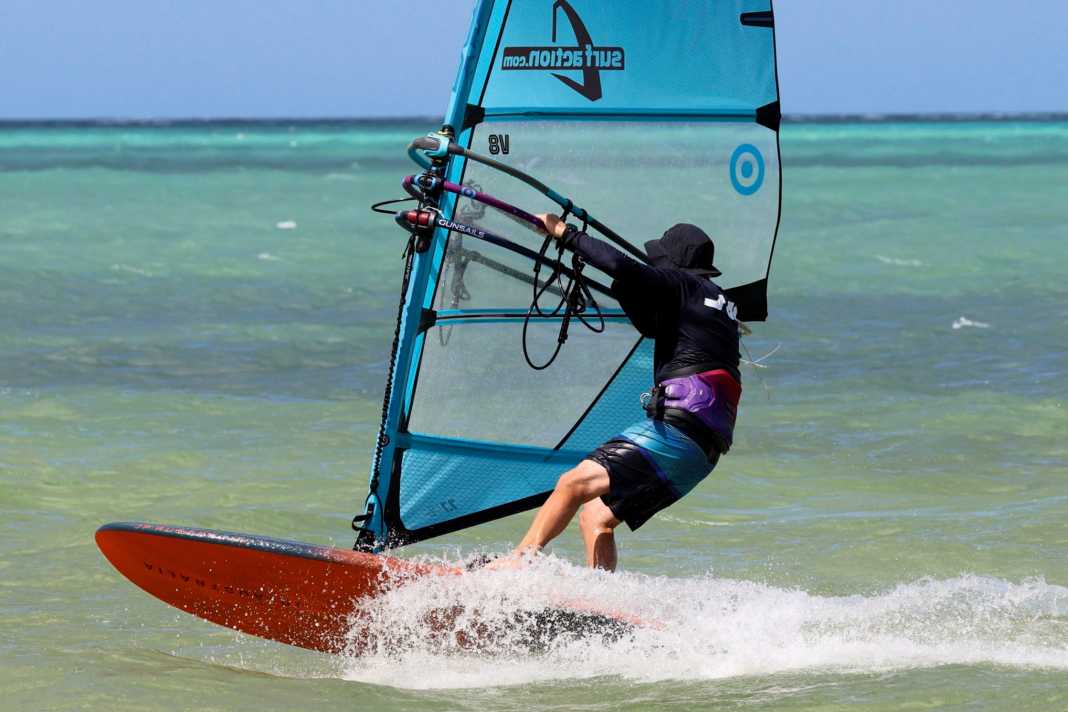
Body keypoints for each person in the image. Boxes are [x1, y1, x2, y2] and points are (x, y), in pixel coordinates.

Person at [496, 217, 743, 571]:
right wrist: (623, 285)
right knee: (595, 517)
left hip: (677, 432)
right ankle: (602, 599)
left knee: (573, 483)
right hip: (701, 453)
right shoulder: (721, 304)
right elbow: (650, 323)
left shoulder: (684, 284)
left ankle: (518, 561)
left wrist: (567, 234)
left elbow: (621, 265)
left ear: (675, 263)